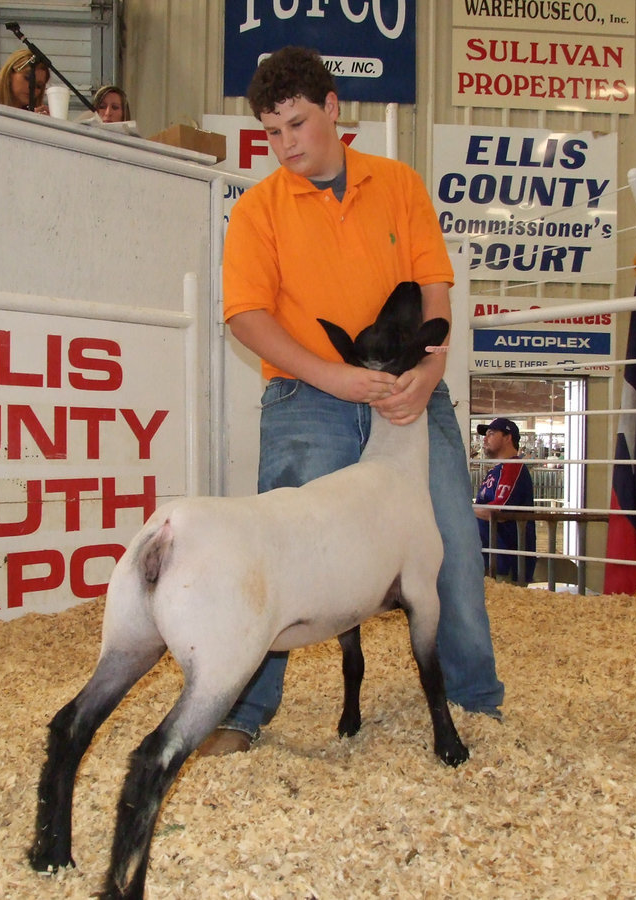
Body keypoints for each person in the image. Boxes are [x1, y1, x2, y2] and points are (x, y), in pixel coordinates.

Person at [199, 46, 503, 757]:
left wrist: (430, 375)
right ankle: (244, 713)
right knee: (284, 552)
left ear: (333, 109)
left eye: (297, 125)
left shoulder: (397, 184)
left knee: (453, 542)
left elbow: (434, 285)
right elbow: (247, 316)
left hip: (407, 391)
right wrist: (331, 377)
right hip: (308, 395)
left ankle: (474, 698)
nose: (285, 146)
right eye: (271, 133)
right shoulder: (258, 211)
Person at [473, 418, 537, 584]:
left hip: (504, 559)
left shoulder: (512, 467)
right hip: (490, 556)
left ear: (508, 438)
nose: (485, 439)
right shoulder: (496, 471)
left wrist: (464, 510)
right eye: (485, 435)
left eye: (491, 434)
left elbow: (499, 511)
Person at [0, 49, 49, 114]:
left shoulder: (32, 112)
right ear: (9, 73)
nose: (32, 88)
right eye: (28, 78)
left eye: (39, 86)